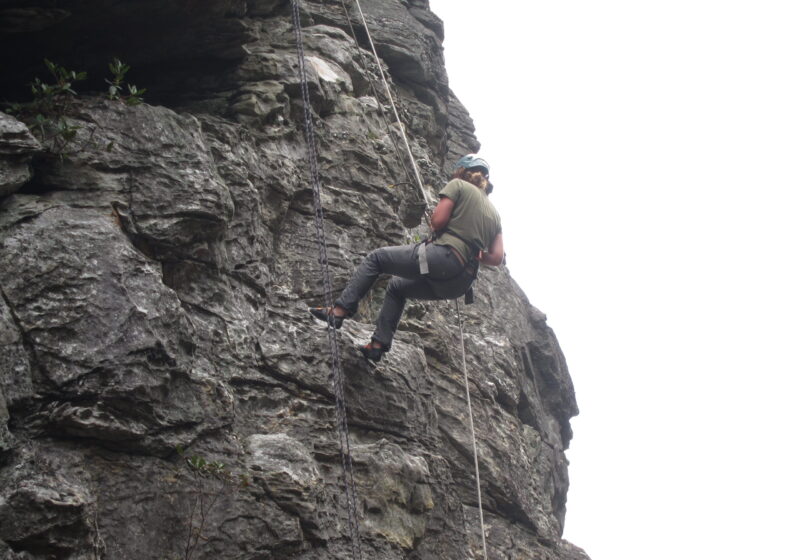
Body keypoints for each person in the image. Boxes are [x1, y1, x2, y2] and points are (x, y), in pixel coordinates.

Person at [310, 154, 504, 362]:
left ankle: (339, 311)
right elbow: (496, 258)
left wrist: (443, 227)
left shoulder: (458, 185)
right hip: (460, 283)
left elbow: (438, 222)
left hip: (442, 257)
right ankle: (377, 345)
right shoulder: (494, 214)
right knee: (397, 288)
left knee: (377, 258)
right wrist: (473, 250)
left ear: (462, 172)